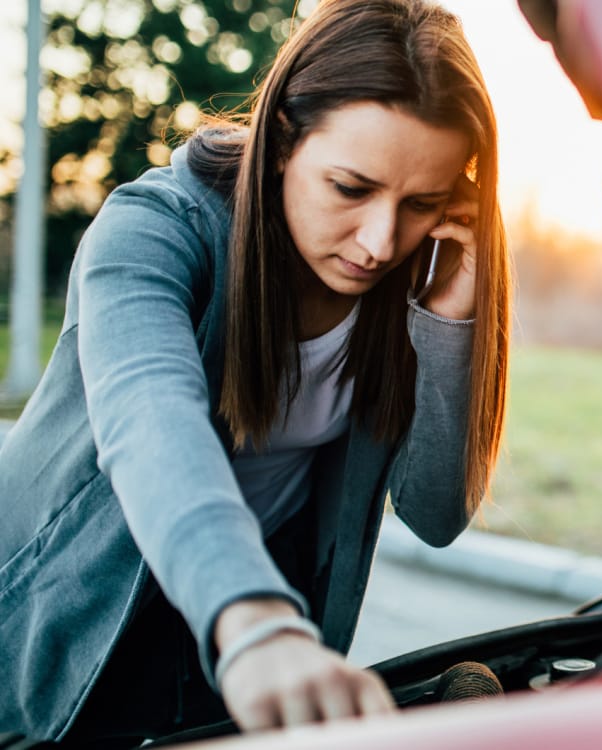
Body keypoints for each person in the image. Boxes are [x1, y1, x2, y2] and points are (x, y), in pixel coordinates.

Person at [0, 0, 508, 743]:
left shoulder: (409, 279)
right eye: (351, 187)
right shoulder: (152, 229)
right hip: (66, 626)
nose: (379, 242)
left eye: (422, 203)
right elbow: (151, 425)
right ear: (278, 143)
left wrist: (449, 322)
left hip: (234, 654)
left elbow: (434, 514)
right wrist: (256, 622)